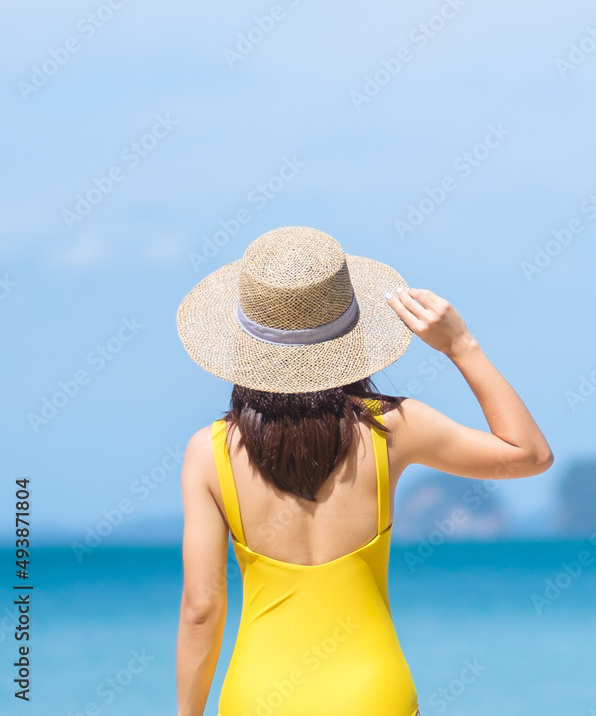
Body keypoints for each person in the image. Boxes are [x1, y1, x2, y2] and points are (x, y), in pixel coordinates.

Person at [175, 226, 553, 716]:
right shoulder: (392, 426)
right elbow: (530, 455)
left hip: (259, 695)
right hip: (373, 692)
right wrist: (460, 344)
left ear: (245, 346)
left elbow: (201, 609)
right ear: (351, 335)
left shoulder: (209, 453)